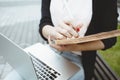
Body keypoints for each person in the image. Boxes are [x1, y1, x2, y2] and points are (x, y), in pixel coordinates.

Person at [39, 0, 118, 80]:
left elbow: (109, 39)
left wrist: (74, 47)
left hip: (79, 58)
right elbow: (44, 22)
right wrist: (52, 32)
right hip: (51, 52)